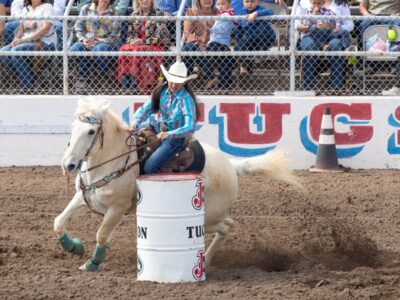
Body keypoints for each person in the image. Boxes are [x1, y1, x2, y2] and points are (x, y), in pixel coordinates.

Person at [129, 61, 199, 174]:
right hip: (158, 127)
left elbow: (190, 127)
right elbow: (145, 109)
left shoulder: (186, 99)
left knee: (150, 167)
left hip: (174, 139)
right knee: (129, 136)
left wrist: (168, 134)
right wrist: (135, 124)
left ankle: (158, 189)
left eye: (178, 82)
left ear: (184, 82)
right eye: (171, 81)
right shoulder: (161, 92)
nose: (173, 85)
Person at [293, 0, 353, 92]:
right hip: (309, 35)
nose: (316, 5)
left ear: (323, 3)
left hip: (330, 35)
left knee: (336, 44)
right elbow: (296, 23)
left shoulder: (337, 5)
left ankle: (336, 87)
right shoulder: (304, 6)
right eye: (314, 3)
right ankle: (310, 88)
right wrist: (302, 26)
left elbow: (348, 25)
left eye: (319, 3)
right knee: (310, 45)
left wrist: (333, 27)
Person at [0, 0, 56, 90]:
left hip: (44, 43)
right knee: (3, 52)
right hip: (26, 42)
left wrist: (25, 39)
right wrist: (16, 39)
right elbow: (21, 29)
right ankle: (30, 76)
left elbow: (45, 28)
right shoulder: (26, 9)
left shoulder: (47, 7)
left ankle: (27, 86)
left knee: (16, 51)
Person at [116, 0, 170, 93]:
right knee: (124, 48)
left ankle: (135, 83)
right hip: (137, 45)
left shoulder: (158, 14)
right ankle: (125, 82)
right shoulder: (134, 14)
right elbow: (129, 35)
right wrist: (132, 41)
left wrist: (143, 41)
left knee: (138, 50)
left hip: (154, 45)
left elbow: (160, 37)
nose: (145, 1)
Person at [69, 0, 121, 92]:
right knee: (76, 48)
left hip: (105, 43)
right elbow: (78, 28)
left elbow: (114, 36)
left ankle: (102, 76)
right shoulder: (85, 9)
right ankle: (83, 78)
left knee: (100, 49)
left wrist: (97, 42)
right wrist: (83, 40)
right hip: (87, 41)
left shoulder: (115, 13)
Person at [234, 0, 276, 74]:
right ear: (243, 3)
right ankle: (246, 67)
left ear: (257, 2)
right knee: (239, 45)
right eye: (247, 2)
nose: (249, 4)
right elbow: (239, 28)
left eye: (252, 1)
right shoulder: (242, 11)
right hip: (249, 38)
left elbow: (271, 12)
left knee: (261, 28)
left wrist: (256, 13)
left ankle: (258, 54)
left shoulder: (260, 8)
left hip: (263, 39)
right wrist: (238, 40)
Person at [202, 0, 235, 90]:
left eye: (223, 4)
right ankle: (225, 84)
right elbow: (217, 28)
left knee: (206, 56)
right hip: (219, 43)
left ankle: (210, 76)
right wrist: (211, 27)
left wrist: (210, 29)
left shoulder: (227, 15)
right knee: (223, 64)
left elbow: (223, 29)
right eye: (219, 4)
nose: (220, 6)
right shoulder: (221, 15)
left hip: (218, 43)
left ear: (229, 4)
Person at [181, 0, 217, 75]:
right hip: (195, 42)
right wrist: (198, 43)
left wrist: (206, 43)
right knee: (189, 48)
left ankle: (209, 76)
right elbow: (188, 32)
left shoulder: (218, 13)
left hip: (212, 43)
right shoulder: (191, 12)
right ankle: (187, 77)